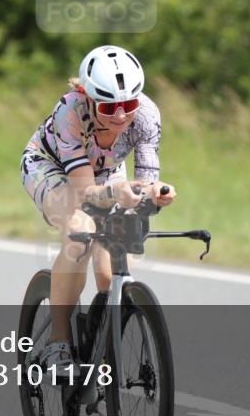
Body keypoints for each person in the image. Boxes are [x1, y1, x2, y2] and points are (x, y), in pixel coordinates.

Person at [20, 45, 176, 373]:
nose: (120, 116)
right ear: (89, 97)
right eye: (108, 107)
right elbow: (85, 193)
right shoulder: (70, 111)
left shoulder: (147, 115)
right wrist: (119, 192)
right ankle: (59, 343)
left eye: (128, 104)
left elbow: (145, 183)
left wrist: (154, 196)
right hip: (51, 167)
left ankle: (104, 345)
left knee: (110, 269)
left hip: (105, 175)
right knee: (80, 232)